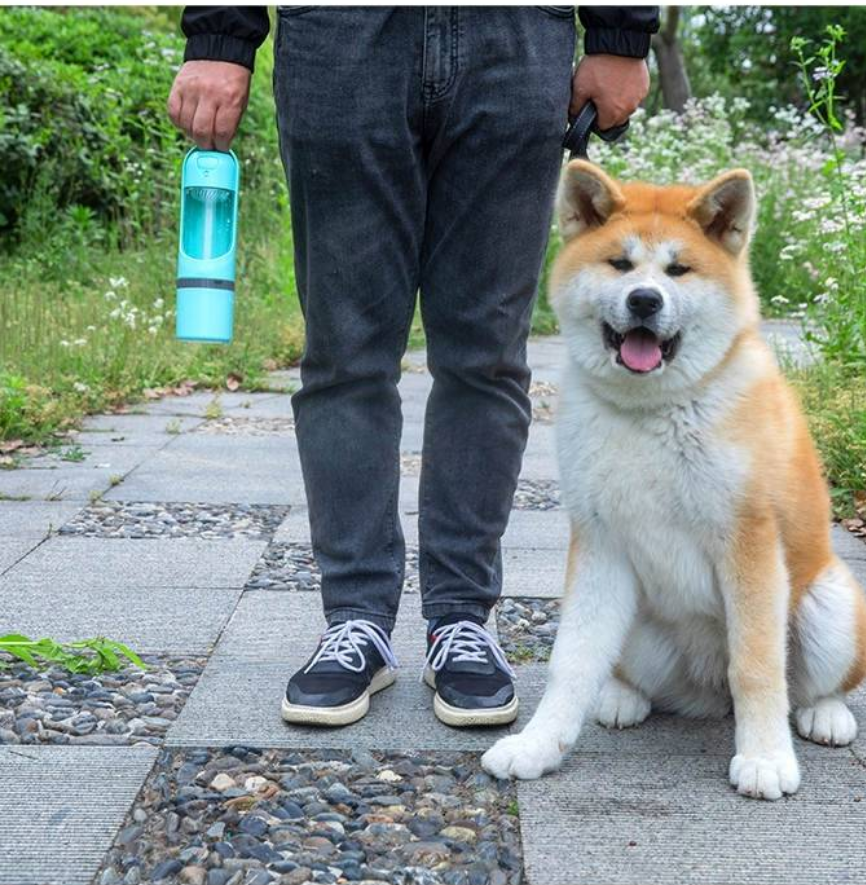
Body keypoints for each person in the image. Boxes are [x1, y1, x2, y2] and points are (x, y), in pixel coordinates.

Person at [168, 6, 657, 728]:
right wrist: (220, 35)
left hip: (516, 39)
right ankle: (356, 621)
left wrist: (620, 32)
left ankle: (461, 621)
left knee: (486, 359)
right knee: (343, 358)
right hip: (340, 40)